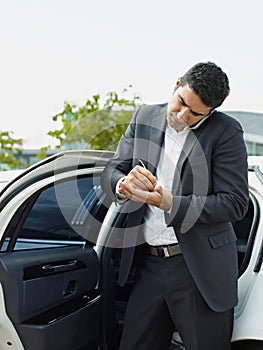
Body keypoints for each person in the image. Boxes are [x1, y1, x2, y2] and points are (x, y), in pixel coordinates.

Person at [101, 62, 249, 350]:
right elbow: (111, 170)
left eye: (196, 114)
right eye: (181, 103)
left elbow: (234, 203)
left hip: (199, 271)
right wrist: (123, 184)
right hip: (148, 265)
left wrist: (170, 203)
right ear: (177, 83)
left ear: (212, 112)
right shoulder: (143, 116)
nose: (183, 116)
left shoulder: (227, 132)